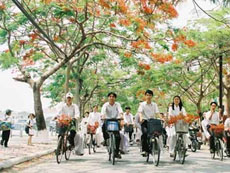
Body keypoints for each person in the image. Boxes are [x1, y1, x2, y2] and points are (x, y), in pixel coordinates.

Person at [138, 89, 162, 156]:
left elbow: (157, 113)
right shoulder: (142, 104)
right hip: (145, 121)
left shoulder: (154, 104)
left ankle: (155, 147)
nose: (148, 96)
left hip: (152, 122)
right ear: (145, 96)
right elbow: (140, 112)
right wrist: (141, 117)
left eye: (150, 95)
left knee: (156, 133)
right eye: (147, 95)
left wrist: (161, 118)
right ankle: (144, 150)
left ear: (152, 96)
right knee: (145, 134)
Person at [101, 92, 123, 159]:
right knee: (103, 127)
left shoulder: (117, 105)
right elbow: (103, 112)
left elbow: (120, 111)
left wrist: (121, 116)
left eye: (113, 96)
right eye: (110, 96)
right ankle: (105, 140)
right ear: (108, 98)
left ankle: (116, 152)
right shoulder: (105, 105)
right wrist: (103, 116)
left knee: (118, 137)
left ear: (115, 98)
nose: (111, 98)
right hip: (107, 120)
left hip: (115, 120)